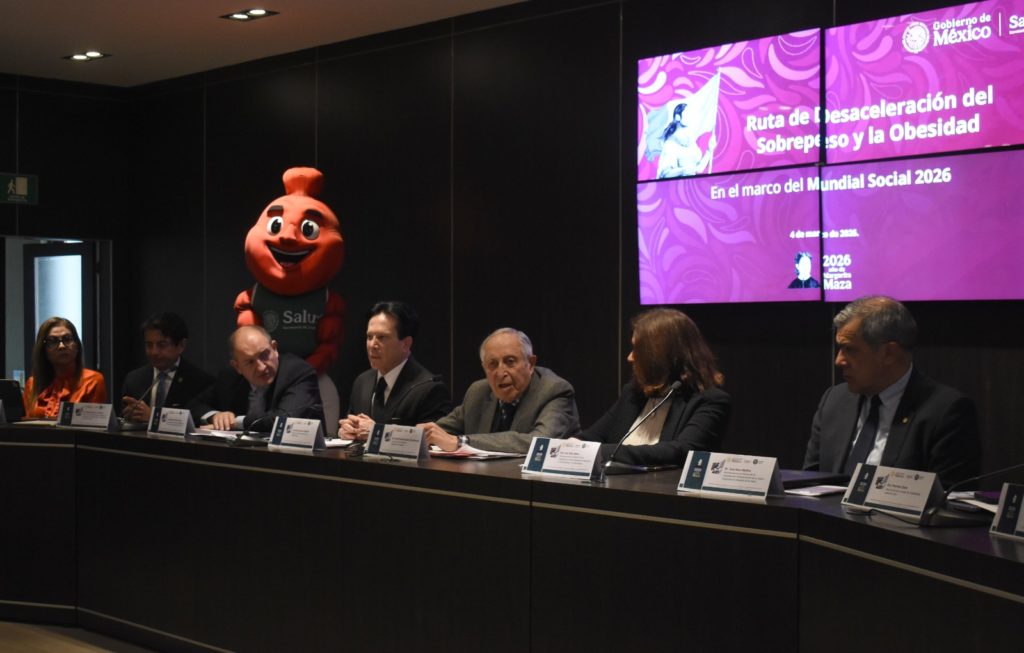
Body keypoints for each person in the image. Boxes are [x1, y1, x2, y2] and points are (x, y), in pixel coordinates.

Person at [803, 296, 980, 487]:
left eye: (850, 350)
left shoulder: (946, 412)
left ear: (889, 353)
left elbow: (949, 497)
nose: (839, 361)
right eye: (840, 349)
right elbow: (809, 483)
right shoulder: (834, 400)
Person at [579, 309, 730, 467]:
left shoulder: (711, 401)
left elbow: (680, 452)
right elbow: (591, 437)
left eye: (637, 350)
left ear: (660, 355)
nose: (630, 357)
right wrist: (570, 447)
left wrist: (597, 451)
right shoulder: (633, 393)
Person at [420, 328, 579, 453]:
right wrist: (418, 435)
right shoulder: (478, 392)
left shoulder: (554, 391)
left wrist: (461, 442)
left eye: (510, 362)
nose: (501, 372)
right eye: (493, 364)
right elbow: (439, 431)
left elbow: (539, 442)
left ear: (530, 364)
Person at [340, 301, 451, 440]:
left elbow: (431, 442)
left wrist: (377, 432)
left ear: (406, 344)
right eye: (369, 337)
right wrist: (348, 430)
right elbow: (354, 426)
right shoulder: (362, 382)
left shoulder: (429, 388)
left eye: (381, 337)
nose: (372, 345)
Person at [188, 325, 323, 432]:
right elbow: (193, 406)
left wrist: (235, 422)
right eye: (250, 362)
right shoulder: (229, 377)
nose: (261, 367)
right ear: (237, 367)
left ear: (274, 348)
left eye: (264, 355)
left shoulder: (297, 372)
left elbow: (284, 420)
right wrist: (215, 416)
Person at [120, 313, 215, 424]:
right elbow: (122, 420)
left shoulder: (200, 381)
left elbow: (196, 423)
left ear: (181, 345)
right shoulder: (134, 379)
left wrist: (154, 417)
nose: (154, 352)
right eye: (149, 345)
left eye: (162, 345)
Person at [23, 317, 107, 419]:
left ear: (77, 345)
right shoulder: (33, 384)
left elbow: (94, 424)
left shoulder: (92, 381)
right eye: (52, 341)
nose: (61, 346)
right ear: (43, 350)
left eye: (68, 339)